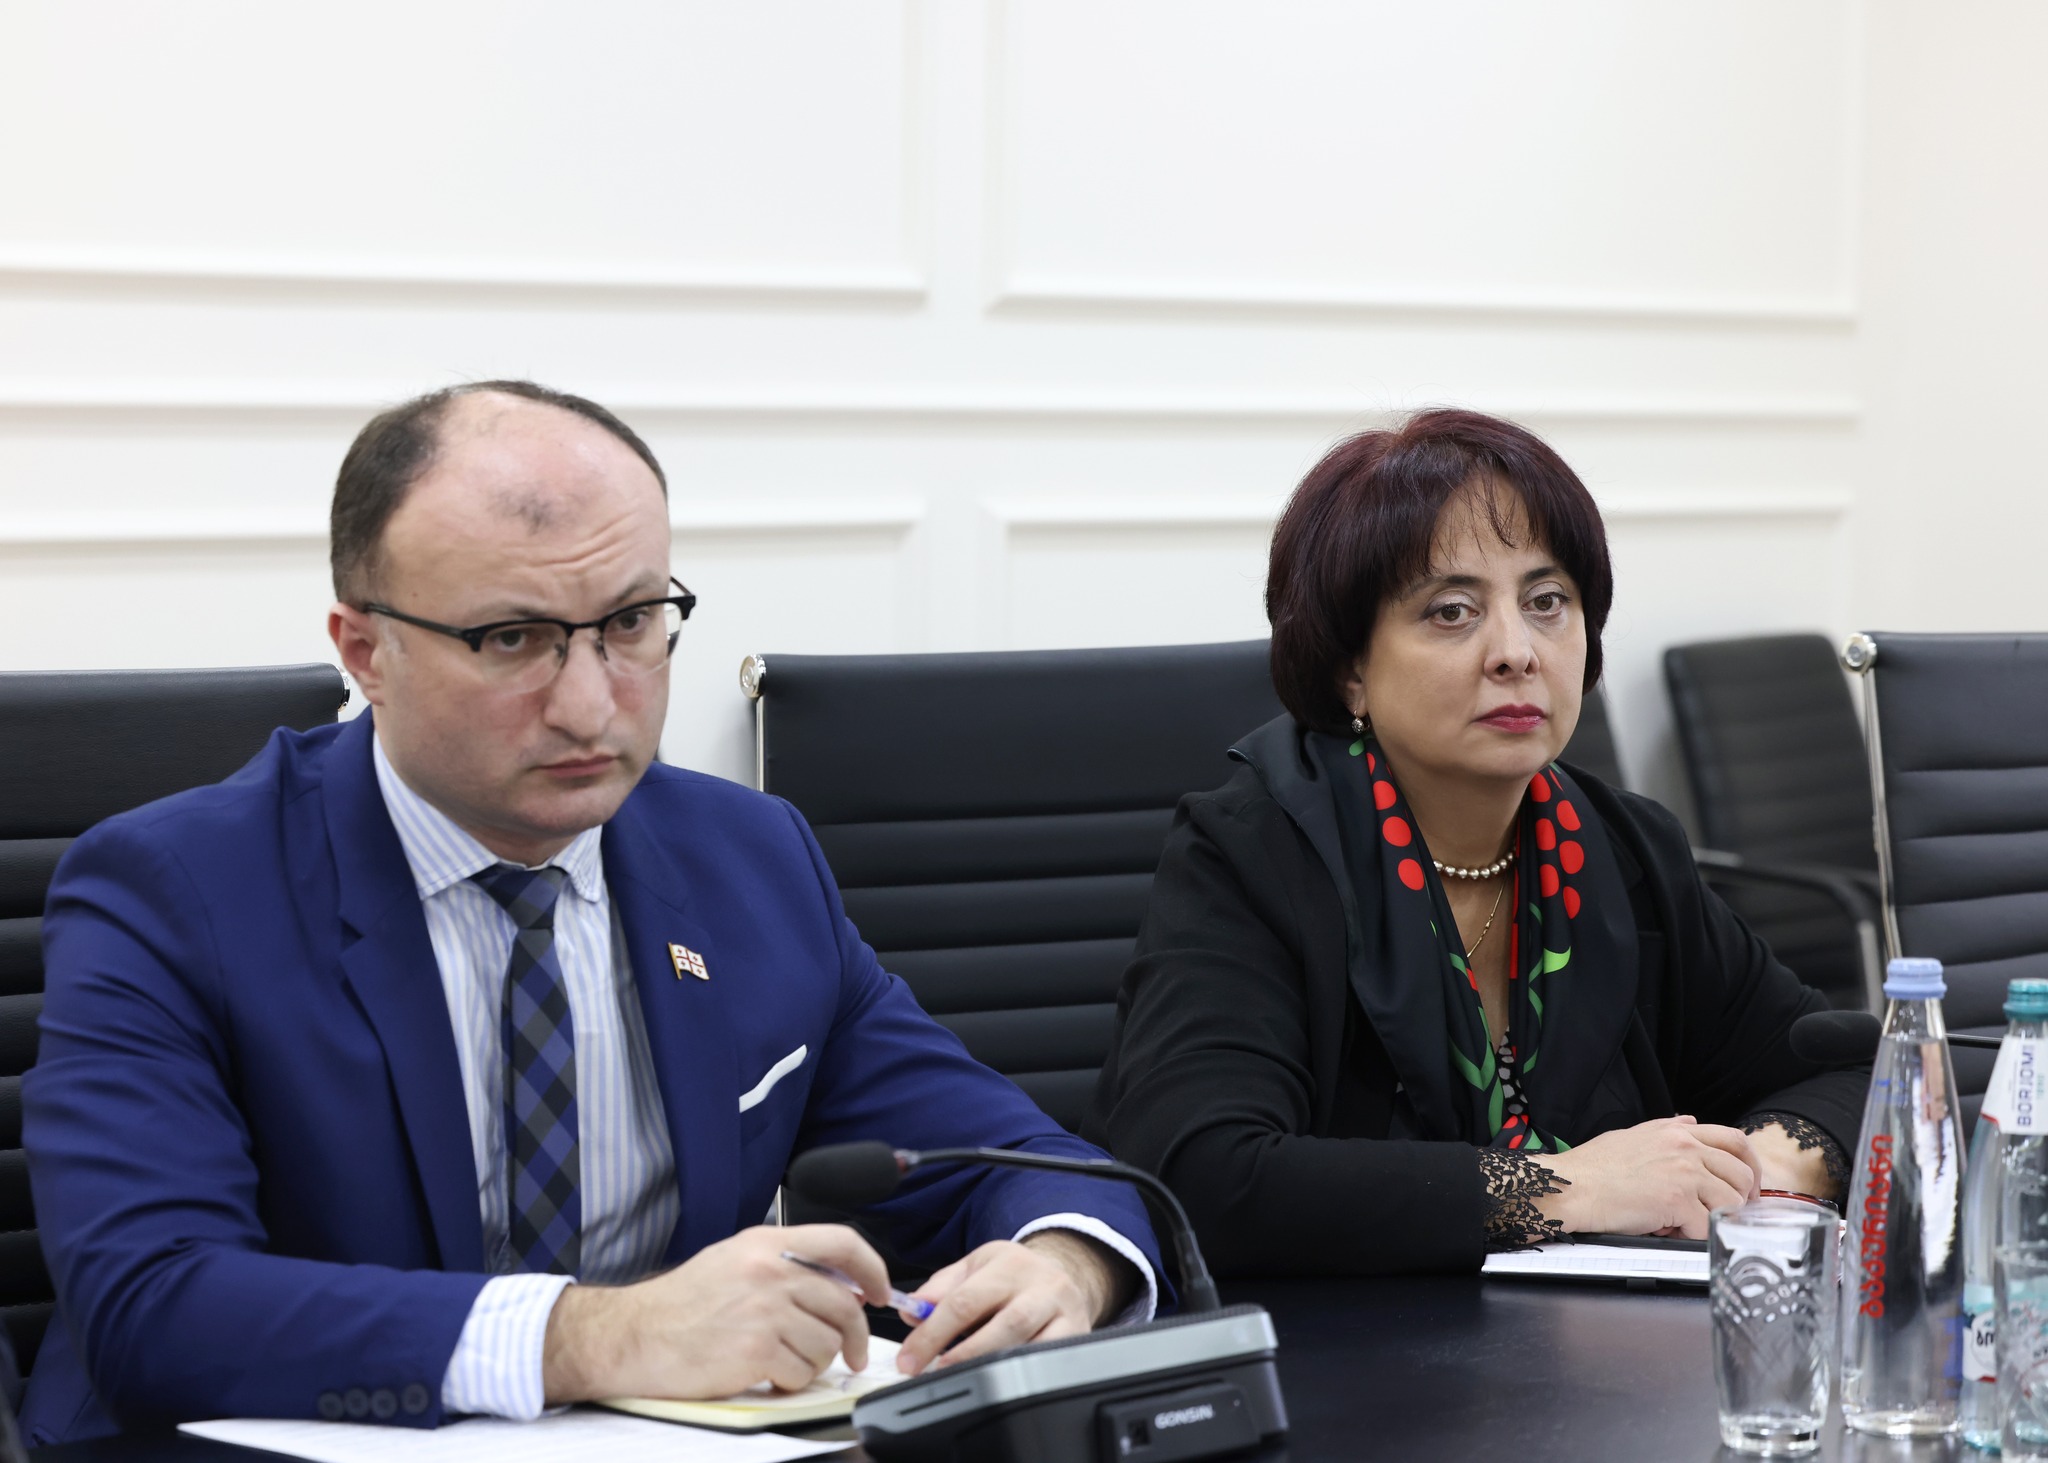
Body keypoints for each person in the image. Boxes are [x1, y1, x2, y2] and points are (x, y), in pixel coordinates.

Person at [22, 381, 1160, 1445]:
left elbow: (1008, 1152)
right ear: (366, 651)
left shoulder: (748, 858)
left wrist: (1064, 1262)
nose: (587, 704)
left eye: (629, 622)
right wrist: (597, 1333)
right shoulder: (171, 888)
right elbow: (153, 1300)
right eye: (511, 638)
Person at [1088, 408, 1866, 1276]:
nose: (1516, 652)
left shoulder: (1624, 850)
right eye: (1452, 611)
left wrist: (1747, 1175)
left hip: (1597, 1349)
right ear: (1350, 669)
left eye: (1547, 602)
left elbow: (1858, 1067)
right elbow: (1202, 1176)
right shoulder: (1254, 851)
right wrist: (1566, 1188)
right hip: (1358, 1349)